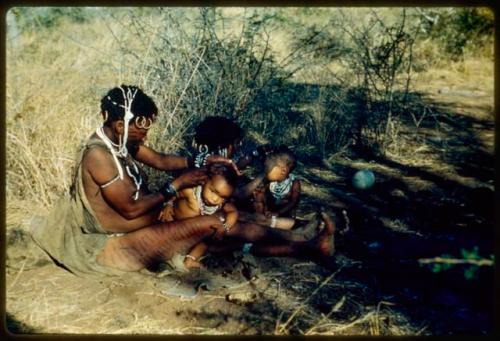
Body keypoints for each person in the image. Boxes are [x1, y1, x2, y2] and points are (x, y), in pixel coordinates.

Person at [30, 86, 334, 277]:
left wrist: (201, 163)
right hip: (115, 245)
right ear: (119, 124)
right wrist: (175, 186)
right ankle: (305, 245)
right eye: (140, 130)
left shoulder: (121, 142)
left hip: (149, 224)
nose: (145, 136)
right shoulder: (98, 155)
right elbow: (132, 210)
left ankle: (303, 241)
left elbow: (161, 161)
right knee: (216, 224)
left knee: (221, 232)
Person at [159, 162, 239, 269]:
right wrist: (168, 205)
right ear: (205, 181)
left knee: (206, 241)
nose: (215, 199)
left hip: (194, 235)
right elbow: (174, 193)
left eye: (222, 197)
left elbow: (233, 212)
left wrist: (225, 226)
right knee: (164, 228)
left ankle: (190, 259)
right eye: (213, 191)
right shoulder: (190, 192)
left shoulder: (221, 204)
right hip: (174, 223)